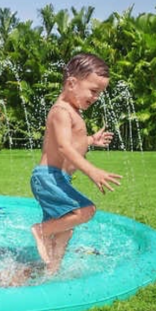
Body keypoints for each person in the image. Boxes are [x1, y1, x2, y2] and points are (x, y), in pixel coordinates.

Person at [30, 53, 122, 274]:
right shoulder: (60, 111)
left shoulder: (71, 111)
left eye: (100, 93)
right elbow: (63, 147)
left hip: (57, 178)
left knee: (65, 229)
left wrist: (91, 140)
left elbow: (72, 142)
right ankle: (40, 230)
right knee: (85, 210)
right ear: (72, 83)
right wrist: (92, 171)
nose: (97, 97)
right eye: (93, 90)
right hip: (48, 177)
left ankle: (50, 272)